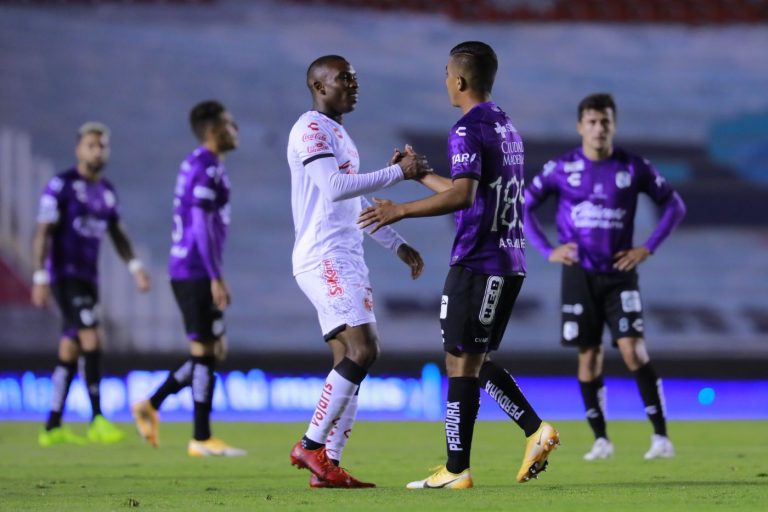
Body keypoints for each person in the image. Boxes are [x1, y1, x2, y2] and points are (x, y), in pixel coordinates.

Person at [358, 41, 559, 489]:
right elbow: (475, 191)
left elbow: (464, 196)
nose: (446, 81)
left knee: (460, 362)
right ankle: (529, 433)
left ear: (460, 80)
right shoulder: (504, 124)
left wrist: (399, 210)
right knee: (470, 358)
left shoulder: (466, 128)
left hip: (478, 261)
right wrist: (420, 174)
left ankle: (458, 468)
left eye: (447, 74)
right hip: (507, 259)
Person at [286, 55, 429, 488]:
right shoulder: (310, 129)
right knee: (365, 349)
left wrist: (397, 243)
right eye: (344, 78)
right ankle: (310, 446)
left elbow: (353, 202)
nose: (354, 84)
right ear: (319, 86)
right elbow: (334, 188)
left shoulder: (339, 134)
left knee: (349, 360)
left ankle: (328, 465)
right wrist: (398, 172)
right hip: (324, 257)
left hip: (345, 256)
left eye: (355, 78)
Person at [523, 92, 686, 461]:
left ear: (614, 125)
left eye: (605, 122)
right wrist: (548, 250)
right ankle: (601, 439)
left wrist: (647, 248)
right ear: (580, 126)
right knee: (588, 356)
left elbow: (674, 205)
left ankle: (661, 436)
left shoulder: (633, 167)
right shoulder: (562, 168)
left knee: (633, 350)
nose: (599, 128)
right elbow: (525, 206)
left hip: (619, 274)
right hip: (579, 275)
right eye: (592, 122)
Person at [131, 100, 245, 457]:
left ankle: (151, 404)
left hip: (189, 268)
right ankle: (201, 437)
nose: (235, 129)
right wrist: (215, 275)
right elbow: (199, 223)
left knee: (214, 349)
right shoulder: (208, 167)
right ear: (213, 130)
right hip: (195, 271)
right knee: (204, 352)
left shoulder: (195, 163)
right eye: (229, 124)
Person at [33, 122, 151, 446]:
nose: (97, 151)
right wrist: (40, 277)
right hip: (65, 275)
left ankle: (52, 426)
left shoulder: (107, 191)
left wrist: (136, 267)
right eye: (91, 145)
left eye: (102, 146)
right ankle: (97, 418)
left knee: (70, 347)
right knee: (92, 337)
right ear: (78, 150)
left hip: (89, 279)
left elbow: (117, 234)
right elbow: (43, 233)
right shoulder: (62, 185)